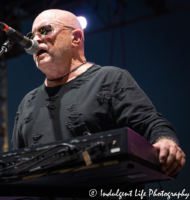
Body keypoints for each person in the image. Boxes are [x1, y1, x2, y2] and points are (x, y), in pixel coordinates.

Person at [12, 9, 185, 184]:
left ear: (76, 38)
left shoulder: (110, 79)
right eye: (31, 35)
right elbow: (16, 165)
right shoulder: (27, 103)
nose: (35, 40)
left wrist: (166, 142)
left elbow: (151, 124)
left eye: (44, 31)